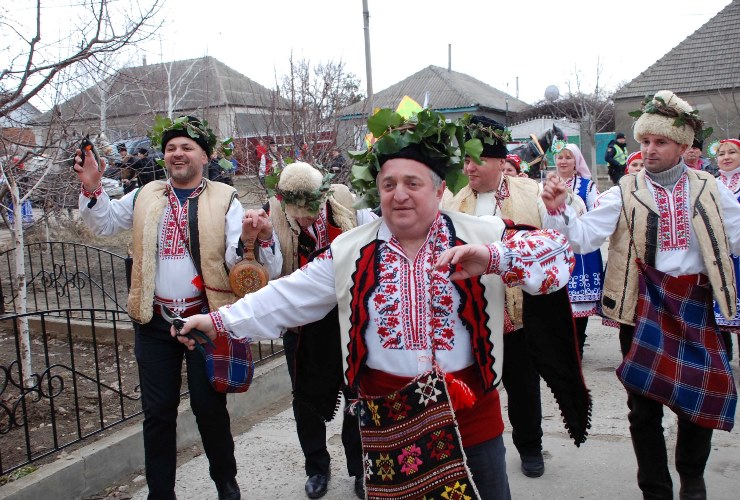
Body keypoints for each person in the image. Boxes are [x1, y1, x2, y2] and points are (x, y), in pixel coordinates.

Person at [174, 108, 577, 500]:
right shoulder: (351, 250)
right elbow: (289, 294)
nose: (399, 195)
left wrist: (493, 258)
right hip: (388, 425)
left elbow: (558, 255)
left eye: (413, 183)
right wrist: (218, 321)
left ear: (439, 190)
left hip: (470, 422)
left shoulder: (479, 233)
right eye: (388, 184)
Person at [542, 90, 740, 500]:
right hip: (643, 306)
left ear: (683, 146)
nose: (649, 150)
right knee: (643, 408)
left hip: (697, 304)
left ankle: (693, 479)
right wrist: (561, 210)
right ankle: (655, 490)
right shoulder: (623, 190)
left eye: (660, 142)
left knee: (700, 403)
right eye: (645, 141)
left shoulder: (710, 188)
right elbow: (581, 239)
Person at [73, 115, 283, 500]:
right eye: (171, 148)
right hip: (154, 321)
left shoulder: (226, 199)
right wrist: (92, 188)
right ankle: (161, 494)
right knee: (157, 413)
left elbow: (249, 265)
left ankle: (226, 484)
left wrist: (261, 239)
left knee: (209, 409)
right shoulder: (144, 195)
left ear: (204, 155)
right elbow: (102, 223)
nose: (177, 154)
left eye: (186, 147)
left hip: (204, 319)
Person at [440, 115, 580, 479]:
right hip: (471, 314)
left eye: (478, 159)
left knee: (522, 386)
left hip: (516, 312)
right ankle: (474, 448)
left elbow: (562, 233)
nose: (469, 167)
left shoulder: (528, 192)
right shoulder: (453, 201)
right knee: (472, 387)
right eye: (466, 159)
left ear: (501, 160)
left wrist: (559, 207)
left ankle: (530, 446)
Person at [259, 161, 376, 499]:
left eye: (311, 211)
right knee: (306, 399)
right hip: (303, 324)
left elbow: (369, 246)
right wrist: (265, 239)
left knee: (357, 393)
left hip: (349, 318)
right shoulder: (274, 215)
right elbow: (272, 272)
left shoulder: (344, 201)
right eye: (299, 214)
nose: (306, 218)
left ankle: (361, 468)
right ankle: (317, 467)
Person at [552, 142, 604, 357]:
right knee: (558, 303)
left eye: (568, 157)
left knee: (579, 302)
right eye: (560, 157)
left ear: (576, 162)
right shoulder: (548, 184)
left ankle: (578, 345)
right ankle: (562, 346)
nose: (563, 161)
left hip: (582, 252)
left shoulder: (587, 186)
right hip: (555, 250)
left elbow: (597, 212)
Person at [713, 138, 740, 384]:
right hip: (718, 255)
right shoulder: (710, 185)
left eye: (732, 152)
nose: (726, 157)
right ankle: (723, 359)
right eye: (721, 153)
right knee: (718, 308)